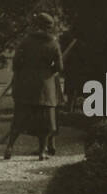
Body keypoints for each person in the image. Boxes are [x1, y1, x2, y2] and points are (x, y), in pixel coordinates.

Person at [4, 13, 65, 160]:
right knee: (45, 122)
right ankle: (42, 152)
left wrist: (24, 72)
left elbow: (16, 63)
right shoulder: (53, 43)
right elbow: (60, 67)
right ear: (49, 28)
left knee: (18, 119)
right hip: (45, 87)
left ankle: (9, 148)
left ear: (36, 25)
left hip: (25, 86)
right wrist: (48, 71)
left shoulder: (25, 42)